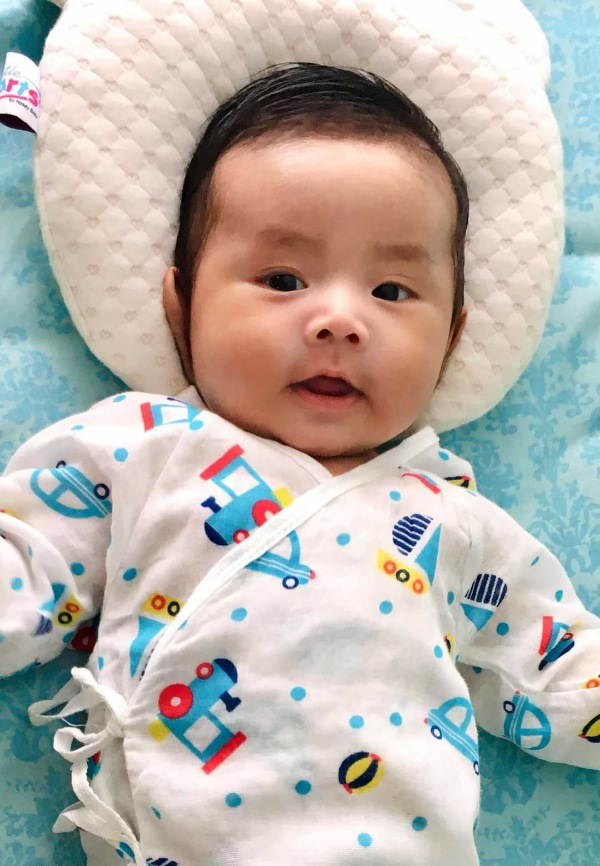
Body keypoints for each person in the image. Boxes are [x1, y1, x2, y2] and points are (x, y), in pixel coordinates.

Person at [0, 63, 598, 866]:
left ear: (452, 339)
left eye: (392, 291)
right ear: (182, 306)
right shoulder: (145, 446)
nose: (340, 320)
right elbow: (26, 566)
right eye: (283, 280)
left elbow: (561, 668)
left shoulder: (451, 519)